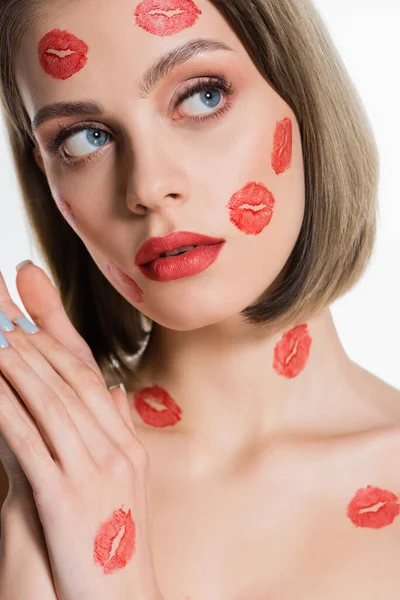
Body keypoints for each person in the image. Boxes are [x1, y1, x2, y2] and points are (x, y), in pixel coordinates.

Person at [0, 0, 399, 597]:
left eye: (202, 95)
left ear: (302, 97)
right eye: (86, 138)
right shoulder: (20, 479)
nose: (148, 186)